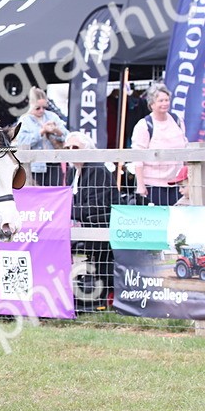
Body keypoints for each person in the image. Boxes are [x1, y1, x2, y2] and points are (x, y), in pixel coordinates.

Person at [62, 131, 116, 309]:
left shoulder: (97, 169)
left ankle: (100, 299)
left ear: (87, 149)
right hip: (84, 225)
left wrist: (63, 211)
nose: (71, 151)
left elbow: (96, 207)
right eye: (67, 148)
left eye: (75, 147)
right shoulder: (73, 171)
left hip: (104, 225)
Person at [130, 83, 187, 206]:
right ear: (152, 104)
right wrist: (140, 185)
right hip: (154, 184)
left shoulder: (177, 121)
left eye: (167, 100)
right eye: (160, 100)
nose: (165, 103)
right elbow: (138, 158)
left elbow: (185, 148)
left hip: (177, 182)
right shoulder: (144, 125)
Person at [13, 88, 67, 186]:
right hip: (35, 165)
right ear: (31, 106)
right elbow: (22, 141)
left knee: (54, 193)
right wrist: (41, 132)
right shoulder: (25, 120)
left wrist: (56, 131)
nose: (42, 111)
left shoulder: (52, 116)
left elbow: (66, 136)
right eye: (38, 108)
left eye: (44, 107)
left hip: (54, 162)